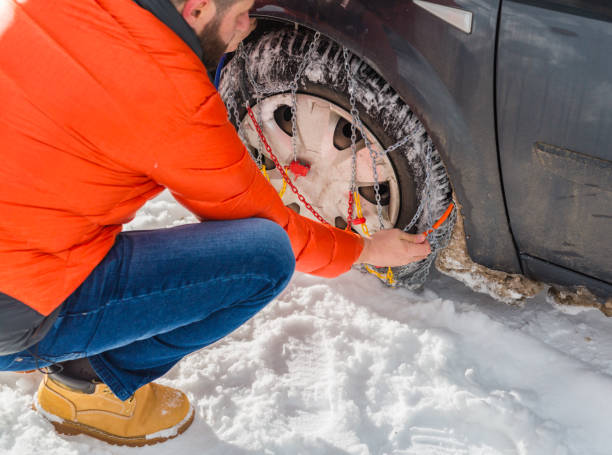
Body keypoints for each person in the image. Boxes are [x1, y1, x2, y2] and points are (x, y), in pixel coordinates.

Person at [0, 0, 431, 446]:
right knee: (263, 257)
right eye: (243, 10)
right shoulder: (166, 93)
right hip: (11, 307)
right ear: (198, 7)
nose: (249, 25)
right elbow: (270, 221)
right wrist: (366, 248)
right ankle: (90, 385)